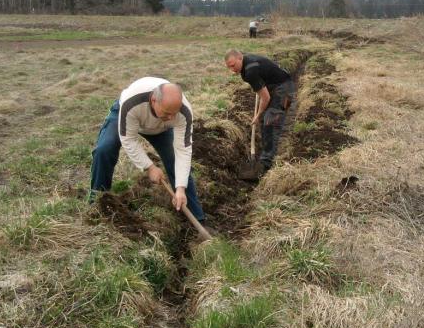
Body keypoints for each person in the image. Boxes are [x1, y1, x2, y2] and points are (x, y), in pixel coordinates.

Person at [89, 77, 205, 222]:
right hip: (126, 116)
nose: (171, 118)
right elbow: (129, 139)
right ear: (153, 100)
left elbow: (183, 149)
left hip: (160, 128)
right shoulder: (132, 102)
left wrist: (181, 188)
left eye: (174, 113)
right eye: (167, 112)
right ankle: (96, 203)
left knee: (175, 160)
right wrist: (149, 167)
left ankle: (197, 218)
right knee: (104, 149)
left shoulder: (182, 112)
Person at [225, 49, 295, 172]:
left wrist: (257, 115)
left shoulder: (250, 71)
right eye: (229, 67)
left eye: (233, 65)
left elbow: (266, 98)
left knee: (271, 121)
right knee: (265, 121)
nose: (232, 69)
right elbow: (263, 92)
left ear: (240, 58)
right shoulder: (247, 65)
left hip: (285, 89)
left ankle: (266, 164)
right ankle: (266, 155)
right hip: (274, 86)